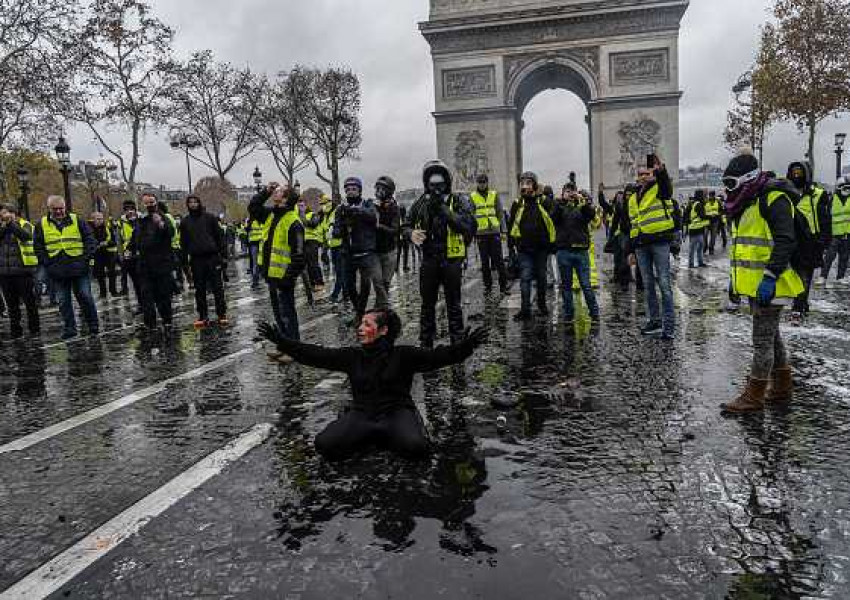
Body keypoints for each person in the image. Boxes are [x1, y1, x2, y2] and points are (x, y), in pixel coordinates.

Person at [257, 309, 488, 460]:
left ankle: (395, 431)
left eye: (367, 324)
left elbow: (438, 357)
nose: (360, 328)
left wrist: (466, 347)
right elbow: (317, 355)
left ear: (383, 330)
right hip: (363, 414)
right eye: (361, 323)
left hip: (396, 412)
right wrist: (282, 342)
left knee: (418, 449)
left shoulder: (403, 355)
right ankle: (369, 433)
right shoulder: (353, 356)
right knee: (324, 445)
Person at [719, 149, 804, 413]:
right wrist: (735, 283)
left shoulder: (774, 199)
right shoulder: (748, 202)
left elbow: (785, 241)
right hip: (757, 284)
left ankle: (754, 395)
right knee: (772, 336)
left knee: (761, 340)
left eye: (731, 184)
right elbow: (742, 250)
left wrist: (769, 277)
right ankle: (781, 387)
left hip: (773, 283)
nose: (727, 190)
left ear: (748, 178)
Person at [405, 160, 477, 347]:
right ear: (426, 184)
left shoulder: (458, 201)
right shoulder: (420, 203)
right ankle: (426, 342)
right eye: (432, 185)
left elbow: (467, 226)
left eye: (440, 184)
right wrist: (410, 233)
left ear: (447, 183)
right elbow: (405, 225)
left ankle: (457, 341)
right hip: (429, 259)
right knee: (427, 304)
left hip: (452, 259)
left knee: (454, 303)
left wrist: (443, 209)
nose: (436, 189)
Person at [249, 182, 305, 363]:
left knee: (288, 314)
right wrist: (266, 191)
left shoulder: (293, 222)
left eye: (279, 190)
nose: (276, 191)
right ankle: (284, 347)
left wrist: (288, 278)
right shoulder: (271, 214)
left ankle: (294, 350)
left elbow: (299, 255)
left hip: (283, 277)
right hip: (272, 275)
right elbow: (253, 207)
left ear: (286, 198)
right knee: (279, 314)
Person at [33, 195, 99, 339]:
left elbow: (90, 240)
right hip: (57, 269)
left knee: (85, 296)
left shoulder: (77, 220)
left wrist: (85, 259)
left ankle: (93, 324)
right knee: (63, 301)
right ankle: (70, 328)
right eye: (55, 209)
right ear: (49, 209)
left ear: (65, 207)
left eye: (61, 209)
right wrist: (48, 263)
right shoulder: (41, 224)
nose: (58, 212)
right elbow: (38, 247)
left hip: (79, 267)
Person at [627, 155, 677, 340]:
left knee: (664, 284)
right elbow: (633, 225)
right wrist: (631, 250)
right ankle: (655, 322)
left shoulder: (660, 187)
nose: (643, 176)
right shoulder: (633, 198)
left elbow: (667, 188)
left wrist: (661, 170)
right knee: (648, 286)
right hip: (641, 245)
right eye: (640, 174)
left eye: (647, 173)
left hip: (659, 242)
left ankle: (669, 326)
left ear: (653, 173)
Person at [507, 171, 555, 321]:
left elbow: (555, 216)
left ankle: (541, 306)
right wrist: (511, 246)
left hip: (541, 249)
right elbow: (511, 225)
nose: (524, 186)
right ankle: (525, 309)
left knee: (541, 278)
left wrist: (552, 244)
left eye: (528, 182)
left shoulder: (544, 201)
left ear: (534, 185)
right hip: (524, 249)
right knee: (525, 278)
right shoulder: (517, 203)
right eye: (522, 183)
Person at [337, 176, 386, 319]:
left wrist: (357, 211)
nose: (351, 192)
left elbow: (372, 217)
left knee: (365, 284)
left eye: (354, 189)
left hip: (366, 251)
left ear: (359, 190)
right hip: (348, 252)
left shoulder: (367, 204)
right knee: (349, 286)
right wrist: (338, 229)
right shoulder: (341, 208)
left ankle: (360, 313)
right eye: (348, 189)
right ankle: (358, 308)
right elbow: (337, 227)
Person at [786, 161, 829, 320]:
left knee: (804, 276)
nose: (796, 176)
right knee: (794, 274)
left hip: (811, 241)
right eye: (794, 173)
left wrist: (823, 242)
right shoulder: (787, 193)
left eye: (799, 173)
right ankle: (802, 303)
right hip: (791, 239)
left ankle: (797, 308)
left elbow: (825, 220)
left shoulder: (818, 194)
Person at [552, 184, 599, 323]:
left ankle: (594, 313)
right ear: (562, 193)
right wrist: (560, 202)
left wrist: (583, 202)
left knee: (586, 285)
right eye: (567, 192)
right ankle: (568, 315)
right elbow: (552, 218)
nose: (570, 194)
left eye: (572, 192)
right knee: (566, 286)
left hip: (581, 251)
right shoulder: (560, 207)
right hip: (564, 251)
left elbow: (591, 215)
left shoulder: (582, 207)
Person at [180, 195, 228, 327]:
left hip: (212, 257)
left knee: (217, 288)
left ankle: (221, 314)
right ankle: (202, 315)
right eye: (190, 202)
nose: (193, 204)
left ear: (199, 203)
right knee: (199, 289)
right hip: (196, 259)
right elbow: (183, 243)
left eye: (195, 202)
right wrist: (184, 261)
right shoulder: (185, 222)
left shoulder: (210, 218)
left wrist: (224, 256)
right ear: (187, 205)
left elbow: (220, 237)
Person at [131, 193, 175, 332]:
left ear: (156, 202)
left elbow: (171, 233)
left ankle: (167, 321)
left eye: (151, 202)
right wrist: (129, 250)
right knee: (146, 296)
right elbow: (135, 240)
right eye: (146, 203)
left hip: (161, 264)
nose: (149, 205)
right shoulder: (141, 220)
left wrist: (161, 224)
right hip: (145, 265)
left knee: (163, 296)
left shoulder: (163, 217)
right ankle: (150, 324)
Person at [0, 204, 40, 338]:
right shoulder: (2, 227)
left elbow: (26, 236)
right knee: (12, 306)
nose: (3, 216)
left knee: (30, 303)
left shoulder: (25, 224)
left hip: (23, 272)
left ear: (13, 213)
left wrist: (11, 225)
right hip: (5, 273)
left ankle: (34, 329)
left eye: (5, 213)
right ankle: (16, 331)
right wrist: (4, 227)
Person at [470, 173, 509, 295]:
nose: (482, 184)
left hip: (494, 232)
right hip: (481, 233)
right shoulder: (473, 196)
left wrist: (503, 230)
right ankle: (488, 286)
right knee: (484, 262)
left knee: (499, 261)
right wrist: (472, 233)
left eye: (484, 182)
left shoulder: (494, 194)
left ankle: (503, 286)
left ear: (487, 183)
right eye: (480, 182)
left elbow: (500, 213)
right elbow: (471, 215)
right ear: (477, 183)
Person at [821, 175, 850, 284]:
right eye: (845, 187)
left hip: (847, 233)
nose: (847, 190)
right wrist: (826, 235)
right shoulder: (833, 200)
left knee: (844, 256)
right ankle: (823, 276)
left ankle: (840, 277)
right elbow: (827, 218)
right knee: (829, 256)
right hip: (835, 234)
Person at [375, 176, 400, 296]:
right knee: (377, 282)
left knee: (385, 282)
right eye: (377, 188)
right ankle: (381, 305)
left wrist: (379, 227)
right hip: (375, 250)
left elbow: (395, 230)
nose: (379, 192)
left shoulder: (394, 208)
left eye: (382, 189)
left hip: (389, 251)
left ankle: (383, 307)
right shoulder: (373, 206)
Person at [321, 194, 347, 304]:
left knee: (340, 272)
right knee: (339, 272)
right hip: (333, 247)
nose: (322, 206)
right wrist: (324, 249)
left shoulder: (336, 212)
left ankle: (335, 295)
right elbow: (325, 233)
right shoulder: (326, 216)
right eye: (321, 204)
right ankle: (346, 295)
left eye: (324, 204)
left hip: (341, 246)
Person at [88, 211, 119, 298]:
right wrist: (97, 244)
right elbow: (89, 241)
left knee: (112, 273)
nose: (100, 221)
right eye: (98, 219)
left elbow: (114, 241)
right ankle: (103, 293)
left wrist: (106, 243)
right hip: (97, 254)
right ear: (93, 219)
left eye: (101, 218)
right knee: (99, 275)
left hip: (108, 253)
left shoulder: (107, 227)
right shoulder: (89, 229)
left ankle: (113, 291)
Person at [299, 197, 325, 293]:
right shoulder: (298, 216)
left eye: (302, 206)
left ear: (306, 206)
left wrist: (302, 215)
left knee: (313, 263)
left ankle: (319, 282)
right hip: (303, 242)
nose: (301, 207)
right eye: (299, 206)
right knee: (306, 265)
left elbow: (312, 224)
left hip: (312, 241)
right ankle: (312, 283)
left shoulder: (313, 214)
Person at [117, 200, 140, 304]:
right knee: (136, 282)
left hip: (141, 255)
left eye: (132, 209)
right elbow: (118, 241)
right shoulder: (120, 223)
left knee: (144, 282)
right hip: (128, 256)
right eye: (127, 210)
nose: (130, 212)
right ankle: (141, 303)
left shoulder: (141, 220)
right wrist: (121, 256)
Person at [684, 190, 709, 268]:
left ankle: (693, 263)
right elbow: (702, 216)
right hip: (698, 228)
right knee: (699, 247)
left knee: (694, 247)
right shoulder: (698, 204)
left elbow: (686, 215)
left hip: (692, 228)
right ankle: (698, 262)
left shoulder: (692, 203)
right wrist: (709, 216)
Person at [246, 213, 265, 289]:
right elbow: (247, 230)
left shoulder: (252, 221)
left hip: (258, 243)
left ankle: (256, 280)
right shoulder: (252, 221)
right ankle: (256, 280)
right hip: (257, 243)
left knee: (257, 263)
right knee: (257, 263)